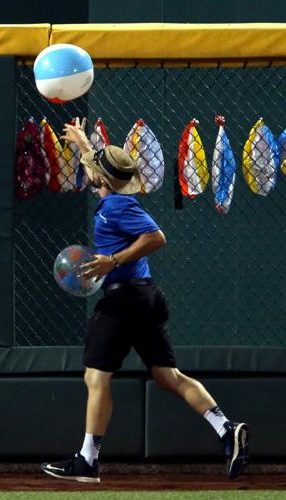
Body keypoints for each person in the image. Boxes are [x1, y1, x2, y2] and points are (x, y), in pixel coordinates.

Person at [40, 118, 249, 483]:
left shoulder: (118, 206)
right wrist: (82, 142)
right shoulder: (112, 195)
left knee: (95, 376)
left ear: (103, 180)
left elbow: (156, 237)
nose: (90, 172)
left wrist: (113, 260)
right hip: (144, 298)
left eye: (93, 170)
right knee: (168, 375)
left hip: (124, 301)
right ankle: (225, 429)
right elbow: (101, 171)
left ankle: (87, 460)